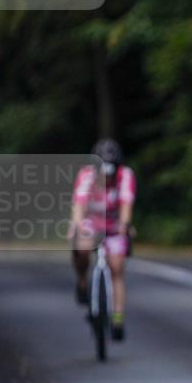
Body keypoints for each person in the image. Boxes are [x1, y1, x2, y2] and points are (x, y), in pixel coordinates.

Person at [70, 139, 136, 340]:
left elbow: (126, 206)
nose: (107, 176)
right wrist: (77, 225)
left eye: (111, 170)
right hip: (91, 222)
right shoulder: (86, 175)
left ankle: (117, 319)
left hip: (114, 225)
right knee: (80, 249)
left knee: (117, 266)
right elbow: (79, 204)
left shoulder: (126, 176)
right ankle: (82, 281)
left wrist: (124, 225)